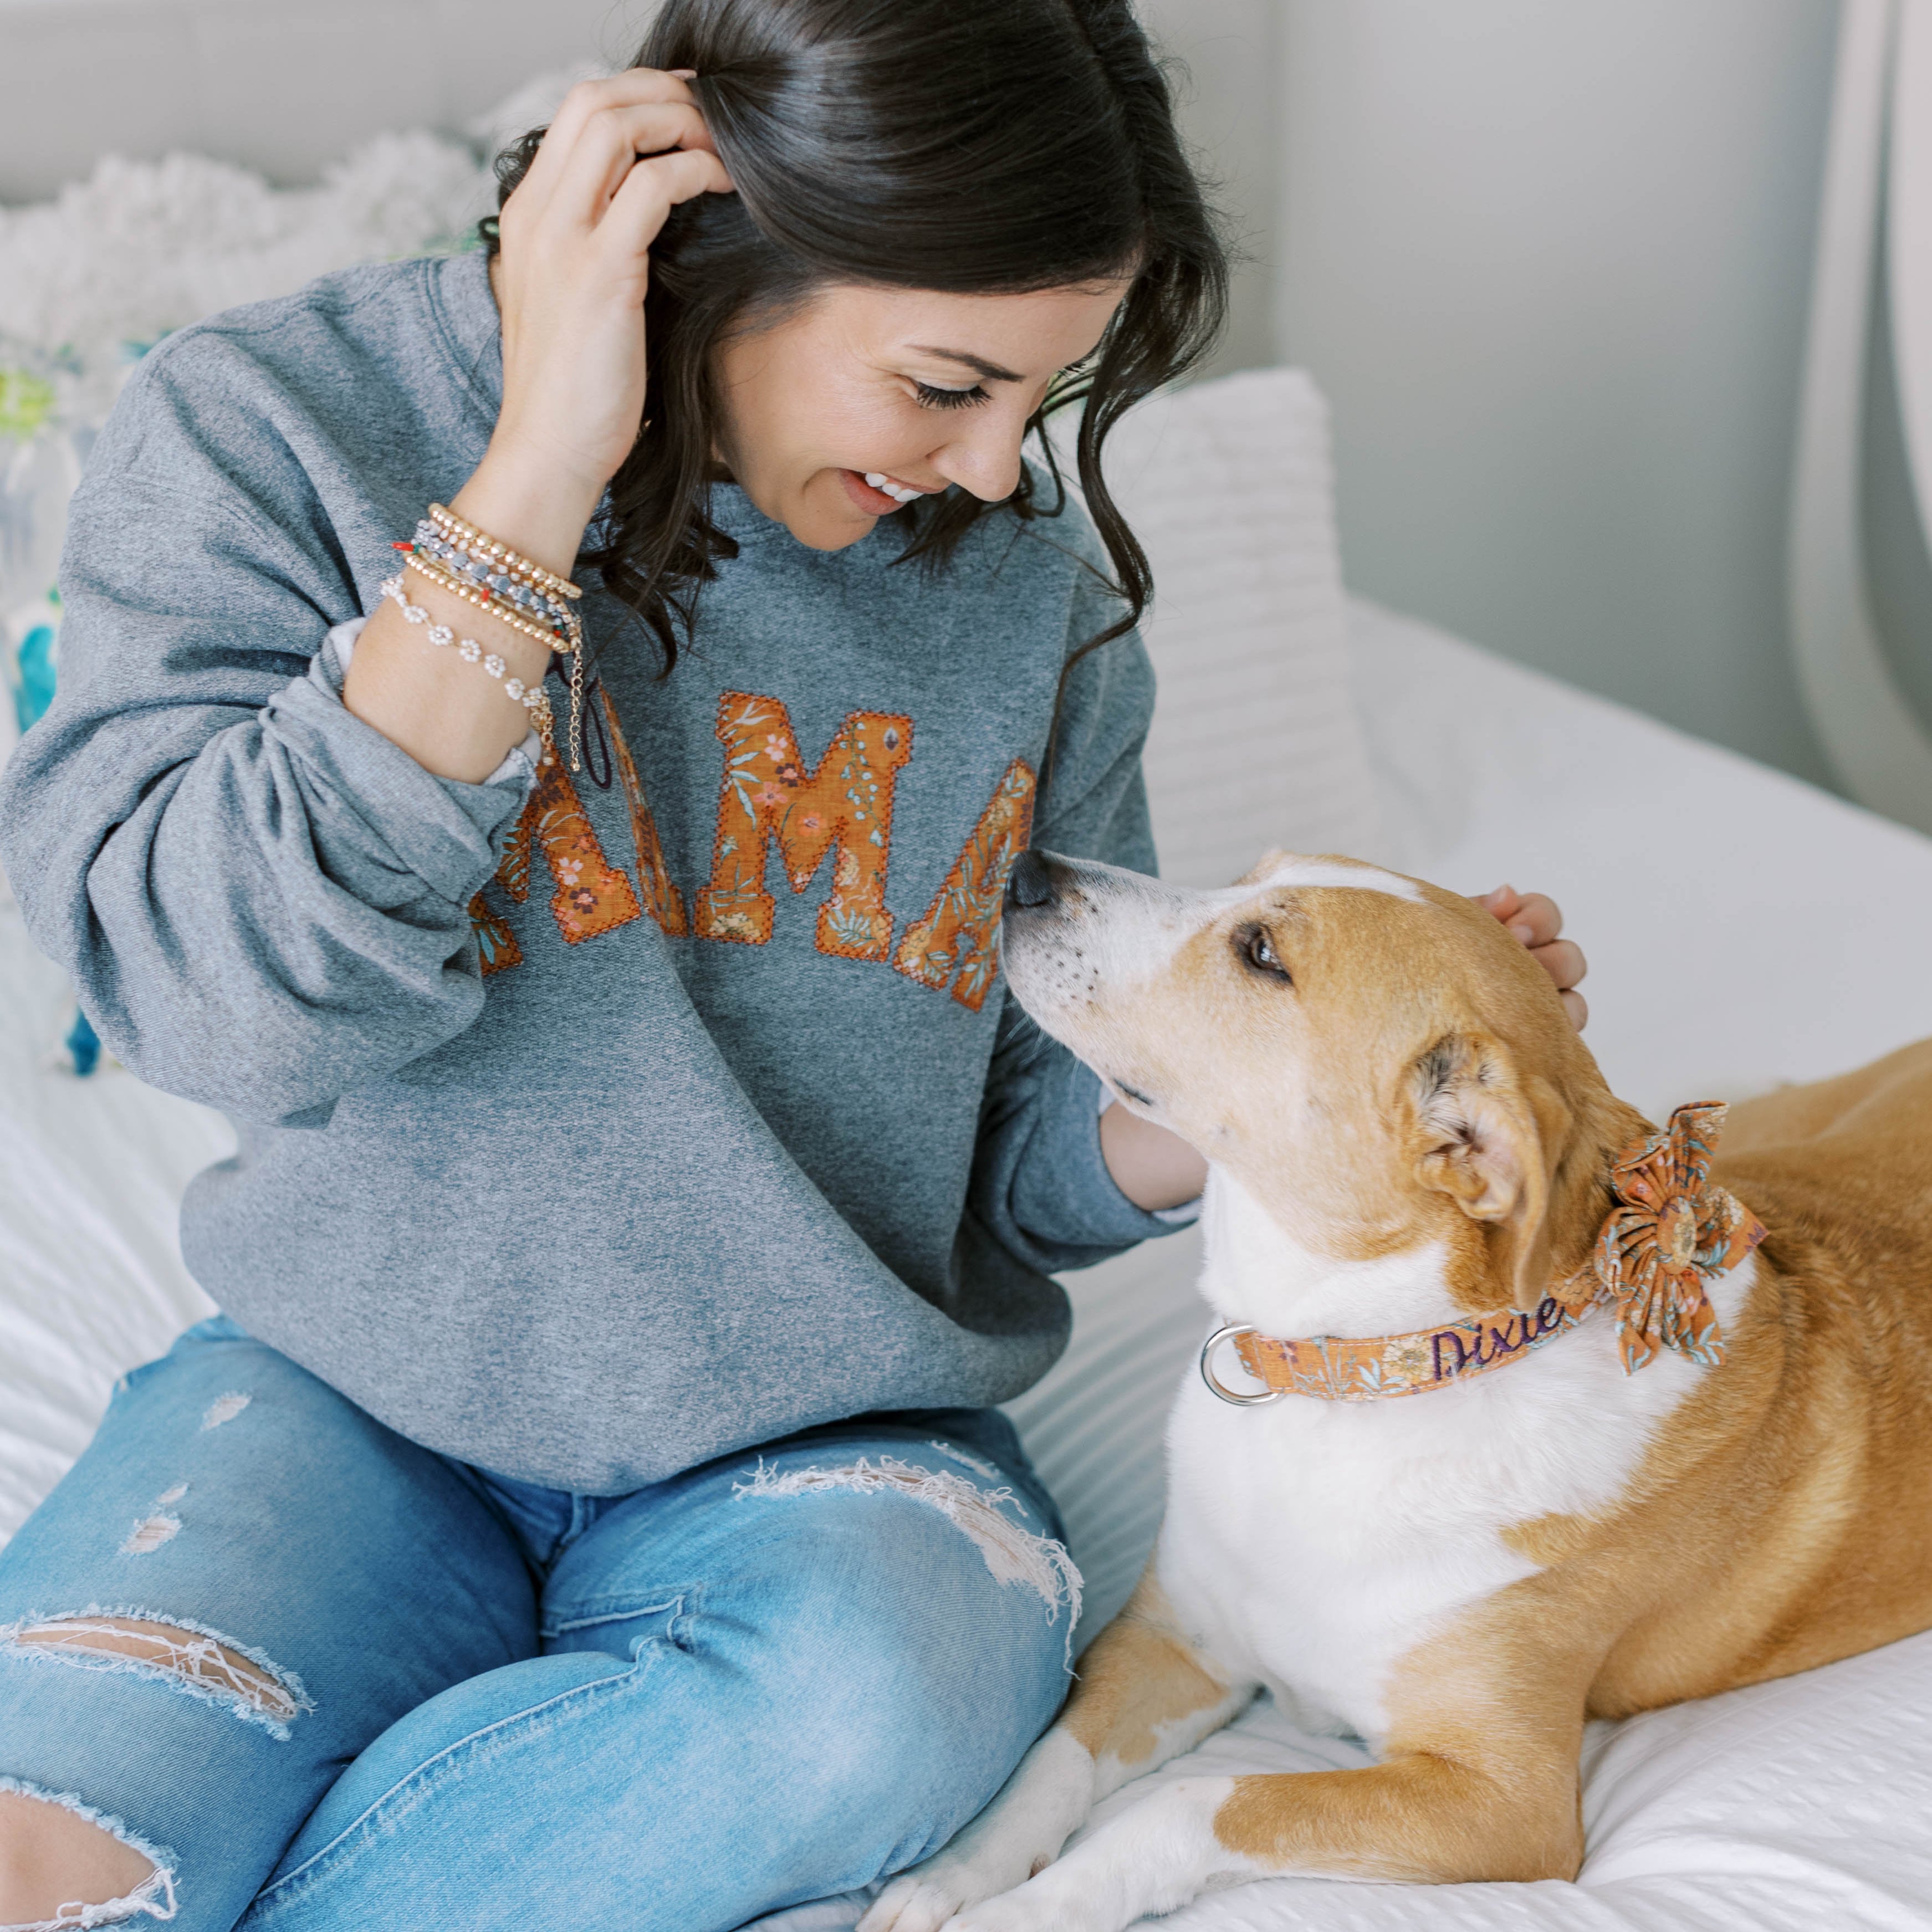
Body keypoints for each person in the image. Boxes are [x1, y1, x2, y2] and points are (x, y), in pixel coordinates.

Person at [0, 3, 1587, 1928]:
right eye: (944, 385)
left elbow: (1011, 1152)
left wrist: (1283, 1088)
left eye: (1036, 402)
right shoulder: (277, 427)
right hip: (350, 1399)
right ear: (707, 233)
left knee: (861, 1714)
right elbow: (215, 1003)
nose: (993, 473)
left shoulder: (1030, 604)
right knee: (52, 1865)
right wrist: (536, 479)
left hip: (833, 1465)